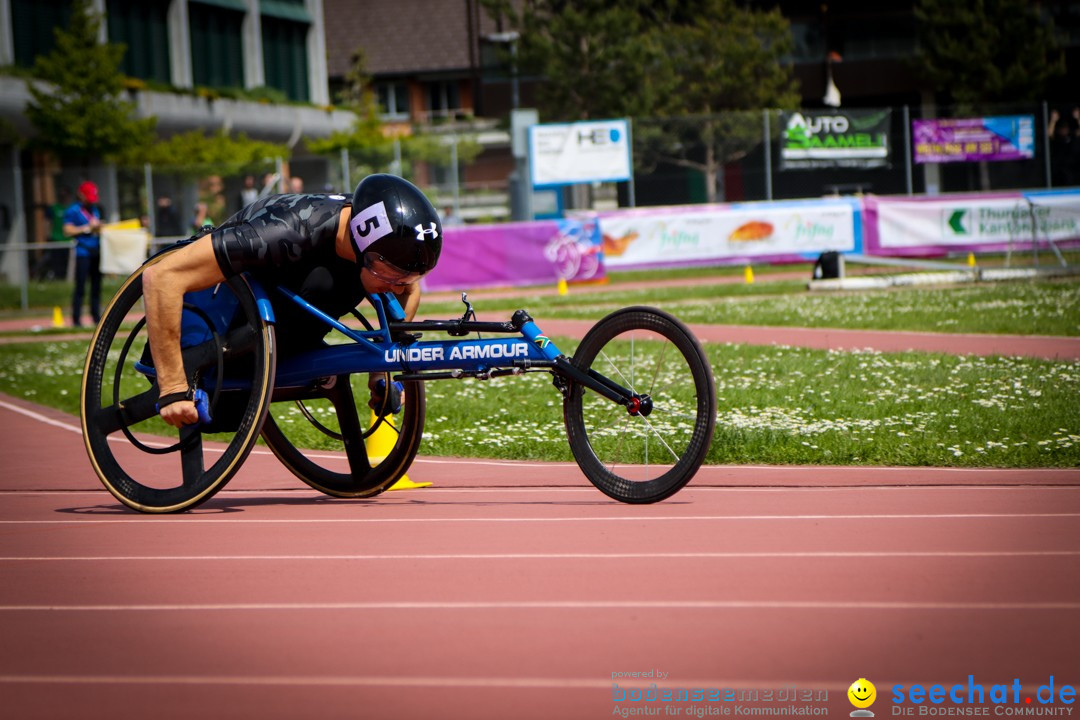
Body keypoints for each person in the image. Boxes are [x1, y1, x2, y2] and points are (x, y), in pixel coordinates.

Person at [141, 174, 443, 428]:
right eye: (388, 274)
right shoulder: (285, 232)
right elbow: (161, 276)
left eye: (407, 278)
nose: (396, 287)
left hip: (286, 332)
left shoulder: (376, 237)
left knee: (338, 281)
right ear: (361, 243)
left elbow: (408, 292)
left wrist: (383, 366)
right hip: (213, 329)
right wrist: (171, 386)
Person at [63, 181, 103, 327]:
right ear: (81, 195)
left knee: (96, 287)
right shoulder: (73, 210)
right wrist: (87, 228)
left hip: (96, 251)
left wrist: (99, 227)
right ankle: (76, 319)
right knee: (80, 287)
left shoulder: (94, 209)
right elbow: (67, 230)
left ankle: (96, 317)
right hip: (82, 252)